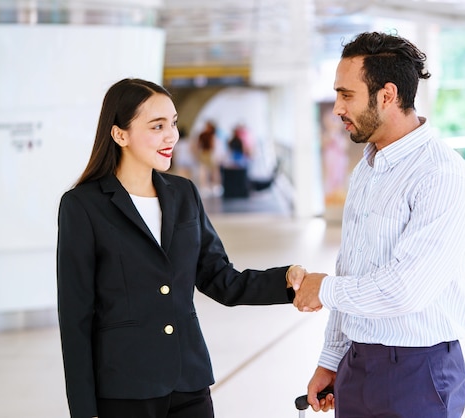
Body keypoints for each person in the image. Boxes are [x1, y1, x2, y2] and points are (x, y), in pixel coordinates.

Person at [56, 78, 306, 418]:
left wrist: (286, 281)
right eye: (157, 126)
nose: (171, 136)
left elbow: (220, 278)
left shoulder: (183, 194)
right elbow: (76, 319)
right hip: (125, 390)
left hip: (189, 382)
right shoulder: (82, 206)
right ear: (120, 135)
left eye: (172, 123)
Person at [292, 32, 465, 418]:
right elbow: (353, 269)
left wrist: (323, 289)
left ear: (387, 95)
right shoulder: (368, 168)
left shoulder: (442, 176)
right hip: (357, 363)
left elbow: (405, 290)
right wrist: (332, 358)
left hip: (419, 374)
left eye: (347, 95)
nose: (336, 108)